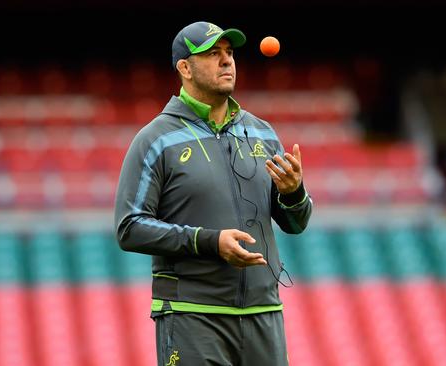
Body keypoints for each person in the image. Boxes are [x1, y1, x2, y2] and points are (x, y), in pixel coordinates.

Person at [114, 21, 312, 366]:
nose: (226, 62)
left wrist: (294, 194)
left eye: (229, 53)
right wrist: (209, 241)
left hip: (263, 313)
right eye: (212, 54)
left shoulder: (262, 133)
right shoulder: (155, 139)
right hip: (192, 315)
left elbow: (295, 224)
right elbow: (129, 227)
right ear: (185, 68)